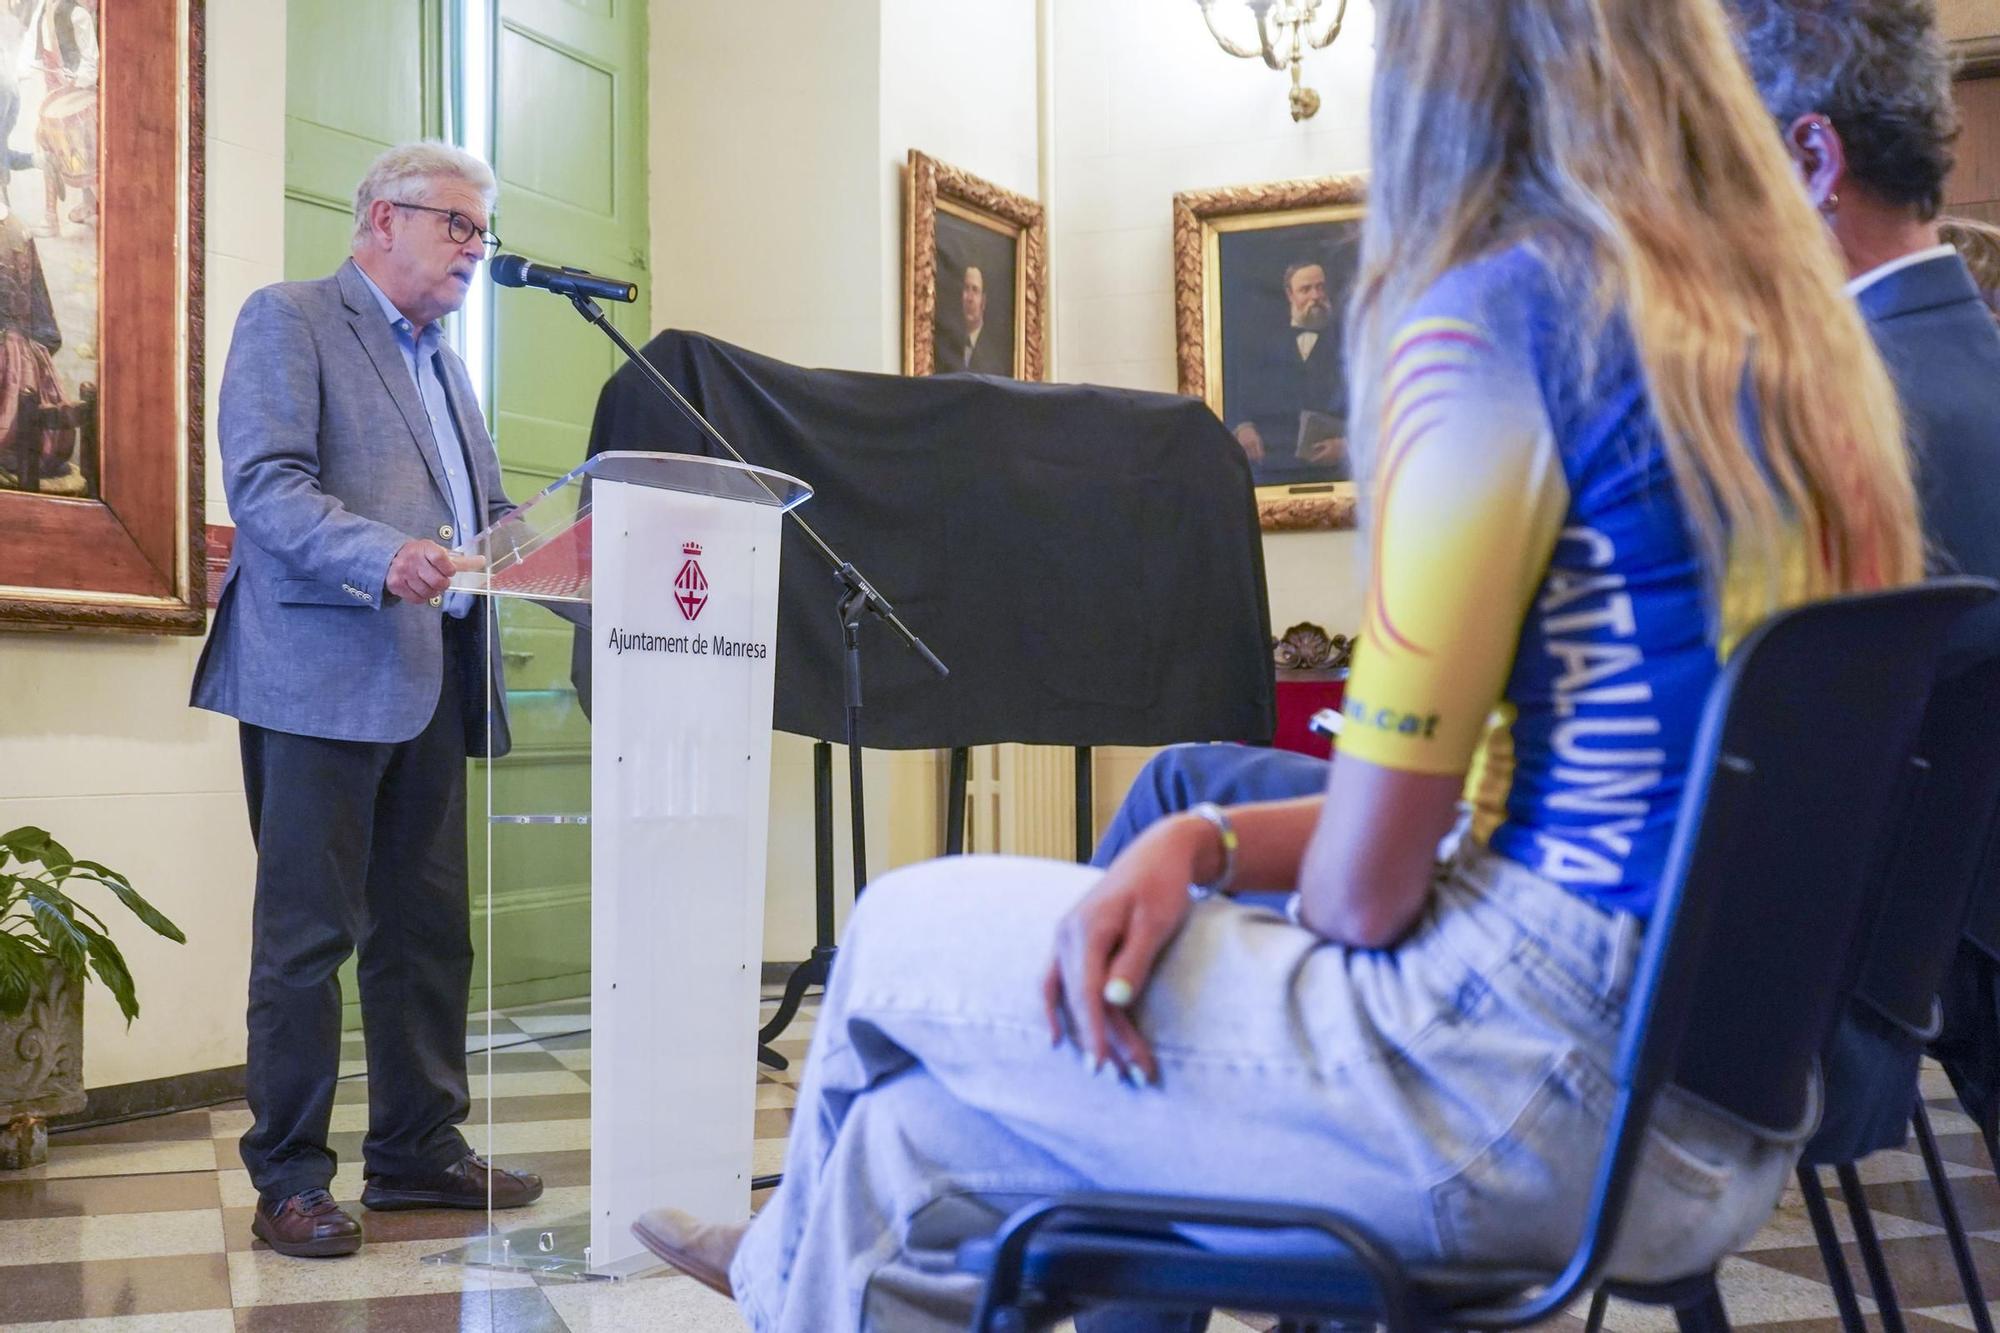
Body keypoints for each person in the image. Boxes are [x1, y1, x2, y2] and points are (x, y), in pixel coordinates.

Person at [631, 1, 1923, 1328]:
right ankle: (792, 1262)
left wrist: (1223, 891)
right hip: (1709, 1112)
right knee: (908, 1148)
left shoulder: (1500, 319)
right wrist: (1201, 843)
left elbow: (1371, 891)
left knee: (896, 936)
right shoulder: (1792, 354)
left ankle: (774, 1270)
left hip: (1515, 1083)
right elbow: (1517, 809)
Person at [190, 141, 543, 1259]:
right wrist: (384, 555)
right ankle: (289, 1176)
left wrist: (559, 545)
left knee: (429, 936)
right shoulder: (289, 318)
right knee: (306, 942)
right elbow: (268, 486)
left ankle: (416, 1149)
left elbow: (485, 510)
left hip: (429, 681)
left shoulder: (444, 360)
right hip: (318, 678)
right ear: (382, 219)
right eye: (459, 226)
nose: (476, 252)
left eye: (482, 231)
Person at [1221, 258, 1347, 484]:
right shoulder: (1261, 341)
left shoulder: (1348, 341)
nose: (1315, 296)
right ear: (1290, 295)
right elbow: (1230, 384)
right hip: (1273, 466)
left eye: (1320, 287)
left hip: (1335, 470)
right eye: (1305, 289)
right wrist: (1242, 426)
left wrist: (1348, 446)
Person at [934, 263, 1010, 374]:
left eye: (975, 290)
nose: (969, 298)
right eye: (966, 289)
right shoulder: (949, 346)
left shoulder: (995, 353)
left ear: (983, 301)